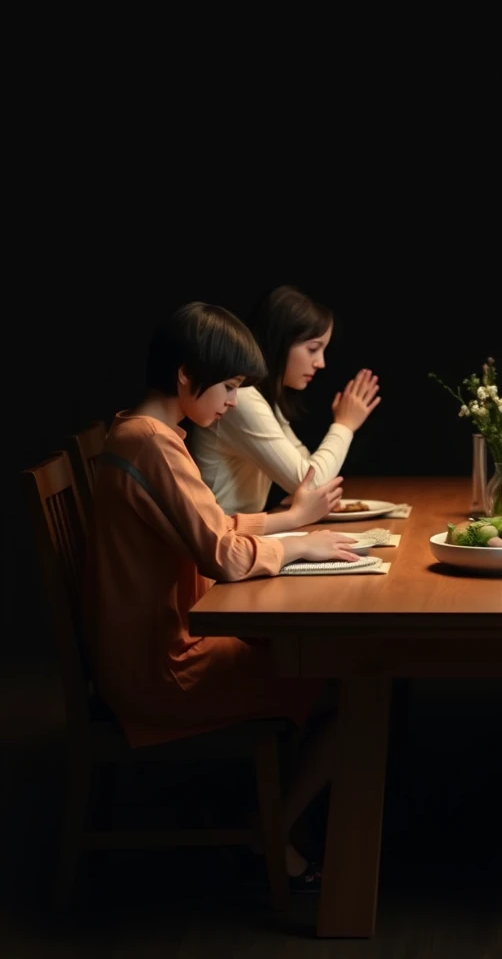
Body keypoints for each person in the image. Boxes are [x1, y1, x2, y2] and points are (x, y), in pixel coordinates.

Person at [83, 301, 365, 891]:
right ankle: (272, 833)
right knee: (355, 689)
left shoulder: (139, 432)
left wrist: (289, 526)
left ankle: (277, 817)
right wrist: (296, 545)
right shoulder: (154, 444)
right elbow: (226, 555)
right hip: (162, 670)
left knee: (325, 668)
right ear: (187, 377)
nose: (234, 401)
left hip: (142, 652)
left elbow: (218, 523)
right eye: (230, 386)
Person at [189, 285, 381, 515]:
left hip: (245, 533)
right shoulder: (242, 397)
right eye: (313, 349)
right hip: (223, 539)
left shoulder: (262, 397)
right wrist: (344, 425)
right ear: (280, 343)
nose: (321, 363)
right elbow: (313, 483)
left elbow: (308, 477)